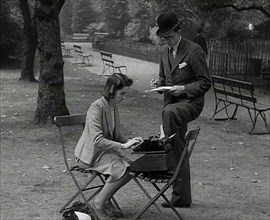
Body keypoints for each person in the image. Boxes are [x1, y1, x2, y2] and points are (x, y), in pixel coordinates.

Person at [150, 11, 211, 208]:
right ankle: (181, 198)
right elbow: (163, 78)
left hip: (190, 103)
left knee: (169, 116)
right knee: (180, 149)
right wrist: (158, 83)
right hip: (171, 104)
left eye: (169, 37)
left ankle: (164, 150)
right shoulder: (164, 52)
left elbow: (205, 83)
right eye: (163, 38)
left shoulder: (194, 50)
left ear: (178, 31)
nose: (166, 41)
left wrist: (183, 88)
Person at [75, 73, 143, 220]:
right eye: (122, 93)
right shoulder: (96, 107)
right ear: (112, 90)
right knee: (124, 169)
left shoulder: (113, 107)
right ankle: (99, 202)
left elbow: (116, 136)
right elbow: (97, 140)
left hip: (104, 153)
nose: (124, 97)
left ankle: (105, 200)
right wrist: (124, 146)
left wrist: (132, 141)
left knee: (133, 168)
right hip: (90, 156)